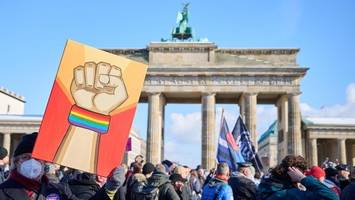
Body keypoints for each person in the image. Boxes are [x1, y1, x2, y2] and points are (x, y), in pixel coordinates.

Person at [0, 132, 125, 200]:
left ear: (44, 163)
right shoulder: (2, 192)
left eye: (37, 158)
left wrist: (109, 189)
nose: (33, 162)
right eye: (26, 157)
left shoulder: (58, 189)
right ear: (16, 162)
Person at [257, 155, 339, 200]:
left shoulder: (266, 186)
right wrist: (303, 178)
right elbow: (332, 197)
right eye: (303, 173)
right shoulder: (291, 194)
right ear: (294, 173)